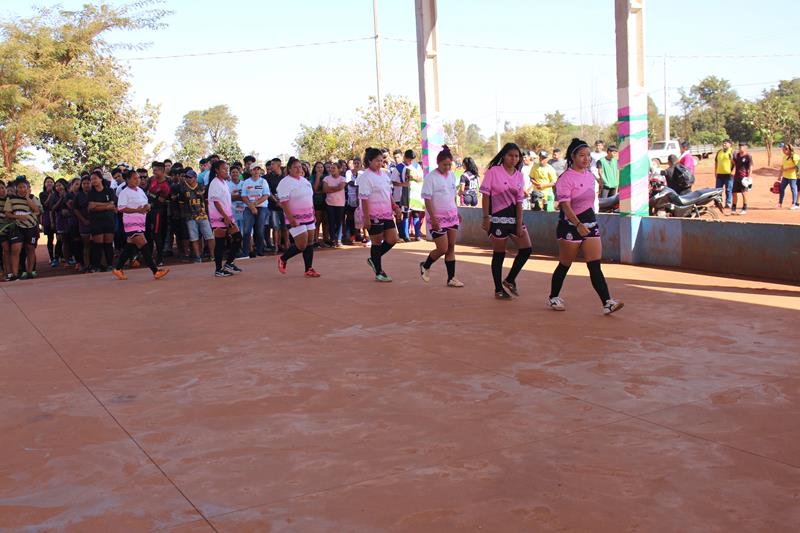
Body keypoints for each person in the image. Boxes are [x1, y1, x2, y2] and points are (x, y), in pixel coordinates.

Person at [547, 138, 623, 315]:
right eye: (581, 155)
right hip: (570, 225)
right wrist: (578, 224)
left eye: (588, 155)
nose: (586, 159)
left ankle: (607, 302)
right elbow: (565, 205)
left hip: (590, 224)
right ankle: (553, 297)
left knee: (595, 265)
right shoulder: (565, 178)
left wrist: (587, 223)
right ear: (572, 157)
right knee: (565, 264)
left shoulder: (590, 176)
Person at [479, 142, 533, 300]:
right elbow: (486, 196)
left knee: (526, 249)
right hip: (497, 219)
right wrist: (486, 218)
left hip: (514, 218)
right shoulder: (493, 172)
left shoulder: (519, 175)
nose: (514, 159)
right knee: (499, 254)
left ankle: (509, 279)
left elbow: (519, 202)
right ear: (503, 156)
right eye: (510, 155)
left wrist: (519, 223)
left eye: (517, 156)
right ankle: (498, 289)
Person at [419, 146, 464, 287]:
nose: (447, 167)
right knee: (442, 248)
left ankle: (451, 278)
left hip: (452, 216)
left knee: (451, 247)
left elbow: (452, 195)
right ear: (438, 163)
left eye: (450, 164)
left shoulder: (451, 175)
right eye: (445, 164)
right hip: (437, 218)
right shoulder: (431, 178)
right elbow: (427, 199)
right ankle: (425, 265)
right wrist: (433, 219)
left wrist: (456, 211)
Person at [113, 170, 169, 281]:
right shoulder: (125, 192)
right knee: (144, 246)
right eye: (135, 178)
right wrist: (137, 210)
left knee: (129, 247)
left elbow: (145, 203)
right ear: (128, 179)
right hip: (131, 224)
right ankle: (155, 271)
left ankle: (118, 269)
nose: (138, 180)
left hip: (140, 223)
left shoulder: (140, 191)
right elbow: (121, 208)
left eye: (138, 178)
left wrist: (147, 207)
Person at [360, 147, 401, 282]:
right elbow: (364, 199)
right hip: (373, 214)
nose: (380, 163)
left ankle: (374, 259)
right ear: (369, 161)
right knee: (376, 242)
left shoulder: (384, 175)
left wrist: (395, 207)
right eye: (377, 161)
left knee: (392, 239)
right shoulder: (365, 177)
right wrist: (366, 218)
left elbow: (388, 194)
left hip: (386, 213)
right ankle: (379, 271)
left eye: (381, 160)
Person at [277, 157, 320, 277]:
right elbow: (284, 202)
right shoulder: (285, 182)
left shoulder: (305, 181)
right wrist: (290, 218)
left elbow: (310, 198)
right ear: (289, 169)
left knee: (310, 242)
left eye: (300, 166)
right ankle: (283, 258)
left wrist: (313, 213)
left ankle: (309, 268)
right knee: (301, 244)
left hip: (309, 216)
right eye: (295, 167)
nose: (298, 169)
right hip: (295, 218)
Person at [208, 160, 243, 277]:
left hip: (227, 216)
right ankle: (218, 269)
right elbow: (216, 202)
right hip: (220, 217)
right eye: (223, 169)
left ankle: (229, 263)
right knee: (220, 243)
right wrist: (224, 216)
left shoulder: (224, 182)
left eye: (226, 169)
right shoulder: (215, 183)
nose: (226, 171)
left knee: (238, 237)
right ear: (217, 170)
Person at [3, 179, 40, 280]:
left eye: (24, 187)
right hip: (17, 227)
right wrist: (17, 217)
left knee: (30, 248)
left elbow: (36, 210)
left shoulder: (33, 198)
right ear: (16, 188)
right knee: (16, 249)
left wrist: (27, 197)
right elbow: (7, 213)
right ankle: (15, 274)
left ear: (28, 188)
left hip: (31, 226)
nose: (22, 189)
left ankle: (30, 272)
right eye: (20, 187)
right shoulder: (11, 198)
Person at [180, 169, 215, 263]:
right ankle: (198, 257)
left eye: (189, 177)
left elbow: (207, 201)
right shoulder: (183, 189)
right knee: (194, 237)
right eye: (186, 177)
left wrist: (207, 213)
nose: (187, 179)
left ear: (195, 178)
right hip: (190, 217)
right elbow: (181, 204)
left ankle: (213, 256)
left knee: (209, 236)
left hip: (203, 215)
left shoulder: (202, 187)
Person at [87, 170, 117, 272]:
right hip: (96, 222)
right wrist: (106, 205)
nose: (93, 181)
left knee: (108, 244)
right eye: (91, 179)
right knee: (97, 245)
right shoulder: (91, 193)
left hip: (109, 221)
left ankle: (109, 265)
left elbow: (112, 205)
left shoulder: (109, 191)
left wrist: (98, 204)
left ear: (100, 179)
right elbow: (91, 207)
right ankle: (97, 266)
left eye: (95, 178)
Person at [240, 164, 270, 257]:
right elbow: (244, 196)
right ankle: (245, 252)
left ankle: (260, 252)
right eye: (254, 169)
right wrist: (251, 206)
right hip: (248, 207)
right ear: (250, 171)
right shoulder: (246, 182)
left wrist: (255, 204)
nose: (256, 171)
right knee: (246, 231)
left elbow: (266, 195)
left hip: (261, 207)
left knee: (259, 230)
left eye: (258, 169)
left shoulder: (263, 181)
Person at [146, 161, 171, 265]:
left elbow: (162, 200)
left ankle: (160, 257)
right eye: (153, 170)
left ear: (161, 171)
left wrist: (152, 196)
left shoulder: (166, 185)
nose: (154, 172)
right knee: (149, 233)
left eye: (155, 170)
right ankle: (150, 255)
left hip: (158, 212)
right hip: (148, 210)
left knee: (157, 234)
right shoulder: (151, 180)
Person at [392, 150, 416, 242]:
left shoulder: (413, 168)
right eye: (409, 159)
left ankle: (405, 235)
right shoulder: (398, 168)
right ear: (404, 157)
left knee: (406, 214)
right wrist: (403, 185)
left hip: (409, 195)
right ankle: (401, 234)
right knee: (398, 215)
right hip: (399, 195)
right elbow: (393, 181)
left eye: (411, 160)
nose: (410, 161)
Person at [266, 158, 287, 252]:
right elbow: (268, 191)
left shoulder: (285, 178)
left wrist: (282, 202)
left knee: (285, 227)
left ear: (278, 165)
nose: (271, 166)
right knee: (275, 227)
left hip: (285, 206)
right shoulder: (267, 177)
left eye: (273, 164)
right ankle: (276, 247)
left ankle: (286, 245)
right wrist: (276, 201)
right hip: (273, 206)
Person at [323, 160, 346, 248]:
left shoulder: (343, 179)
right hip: (329, 203)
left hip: (340, 203)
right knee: (331, 222)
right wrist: (335, 188)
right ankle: (332, 240)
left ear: (339, 169)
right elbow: (325, 189)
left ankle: (339, 240)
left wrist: (330, 188)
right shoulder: (326, 178)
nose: (331, 169)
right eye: (331, 168)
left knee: (339, 222)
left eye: (334, 168)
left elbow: (340, 187)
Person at [407, 154, 426, 240]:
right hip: (409, 194)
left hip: (416, 195)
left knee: (415, 214)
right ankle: (406, 235)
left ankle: (417, 235)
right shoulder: (408, 167)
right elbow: (411, 177)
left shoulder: (418, 167)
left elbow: (419, 178)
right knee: (408, 215)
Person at [39, 177, 56, 266]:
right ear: (44, 184)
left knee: (60, 237)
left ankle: (58, 256)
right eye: (47, 182)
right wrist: (49, 196)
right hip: (47, 217)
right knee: (50, 238)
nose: (49, 183)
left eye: (51, 182)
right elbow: (44, 204)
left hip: (56, 217)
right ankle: (51, 257)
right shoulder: (42, 194)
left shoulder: (57, 192)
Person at [732, 142, 753, 215]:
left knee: (744, 193)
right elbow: (735, 163)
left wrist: (749, 176)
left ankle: (744, 208)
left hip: (744, 177)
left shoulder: (748, 156)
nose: (741, 147)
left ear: (746, 147)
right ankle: (733, 208)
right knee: (734, 193)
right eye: (740, 146)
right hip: (736, 176)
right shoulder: (737, 155)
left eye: (742, 146)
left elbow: (750, 166)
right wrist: (732, 158)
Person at [714, 139, 735, 209]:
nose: (724, 145)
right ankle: (717, 203)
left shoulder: (732, 152)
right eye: (723, 143)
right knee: (718, 190)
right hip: (719, 174)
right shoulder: (719, 152)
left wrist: (733, 172)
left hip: (728, 175)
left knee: (728, 189)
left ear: (730, 144)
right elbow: (716, 162)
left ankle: (728, 203)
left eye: (725, 143)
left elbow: (735, 163)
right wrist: (715, 171)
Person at [778, 143, 800, 209]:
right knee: (781, 189)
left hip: (793, 176)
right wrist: (779, 176)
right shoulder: (784, 157)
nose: (783, 151)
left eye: (785, 149)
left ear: (789, 150)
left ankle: (794, 204)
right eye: (783, 149)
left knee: (793, 190)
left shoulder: (795, 156)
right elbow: (782, 166)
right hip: (785, 176)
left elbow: (797, 166)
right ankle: (780, 203)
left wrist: (788, 168)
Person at [228, 163, 246, 241]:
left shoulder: (244, 184)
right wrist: (240, 197)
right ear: (230, 174)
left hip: (244, 210)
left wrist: (235, 197)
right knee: (235, 231)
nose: (235, 174)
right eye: (233, 172)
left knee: (245, 230)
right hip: (232, 211)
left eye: (236, 172)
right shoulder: (227, 184)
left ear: (239, 173)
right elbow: (228, 198)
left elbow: (246, 197)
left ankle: (247, 248)